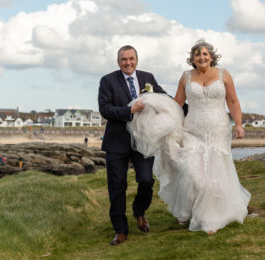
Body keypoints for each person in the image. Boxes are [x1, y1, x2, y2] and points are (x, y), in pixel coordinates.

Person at [127, 40, 251, 234]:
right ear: (192, 59)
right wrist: (156, 109)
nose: (201, 57)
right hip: (192, 130)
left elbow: (233, 101)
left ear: (211, 56)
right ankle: (185, 209)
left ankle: (209, 218)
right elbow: (177, 103)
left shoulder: (224, 75)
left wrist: (239, 125)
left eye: (205, 54)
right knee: (191, 172)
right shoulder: (186, 77)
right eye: (197, 55)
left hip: (218, 130)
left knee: (214, 175)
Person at [98, 45, 167, 245]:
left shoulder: (148, 78)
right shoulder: (107, 81)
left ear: (137, 59)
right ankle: (120, 229)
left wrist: (186, 108)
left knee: (146, 180)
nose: (127, 62)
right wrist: (130, 110)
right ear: (118, 62)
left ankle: (139, 211)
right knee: (117, 186)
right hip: (116, 141)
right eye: (123, 59)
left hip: (144, 140)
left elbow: (164, 99)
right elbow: (105, 109)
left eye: (131, 58)